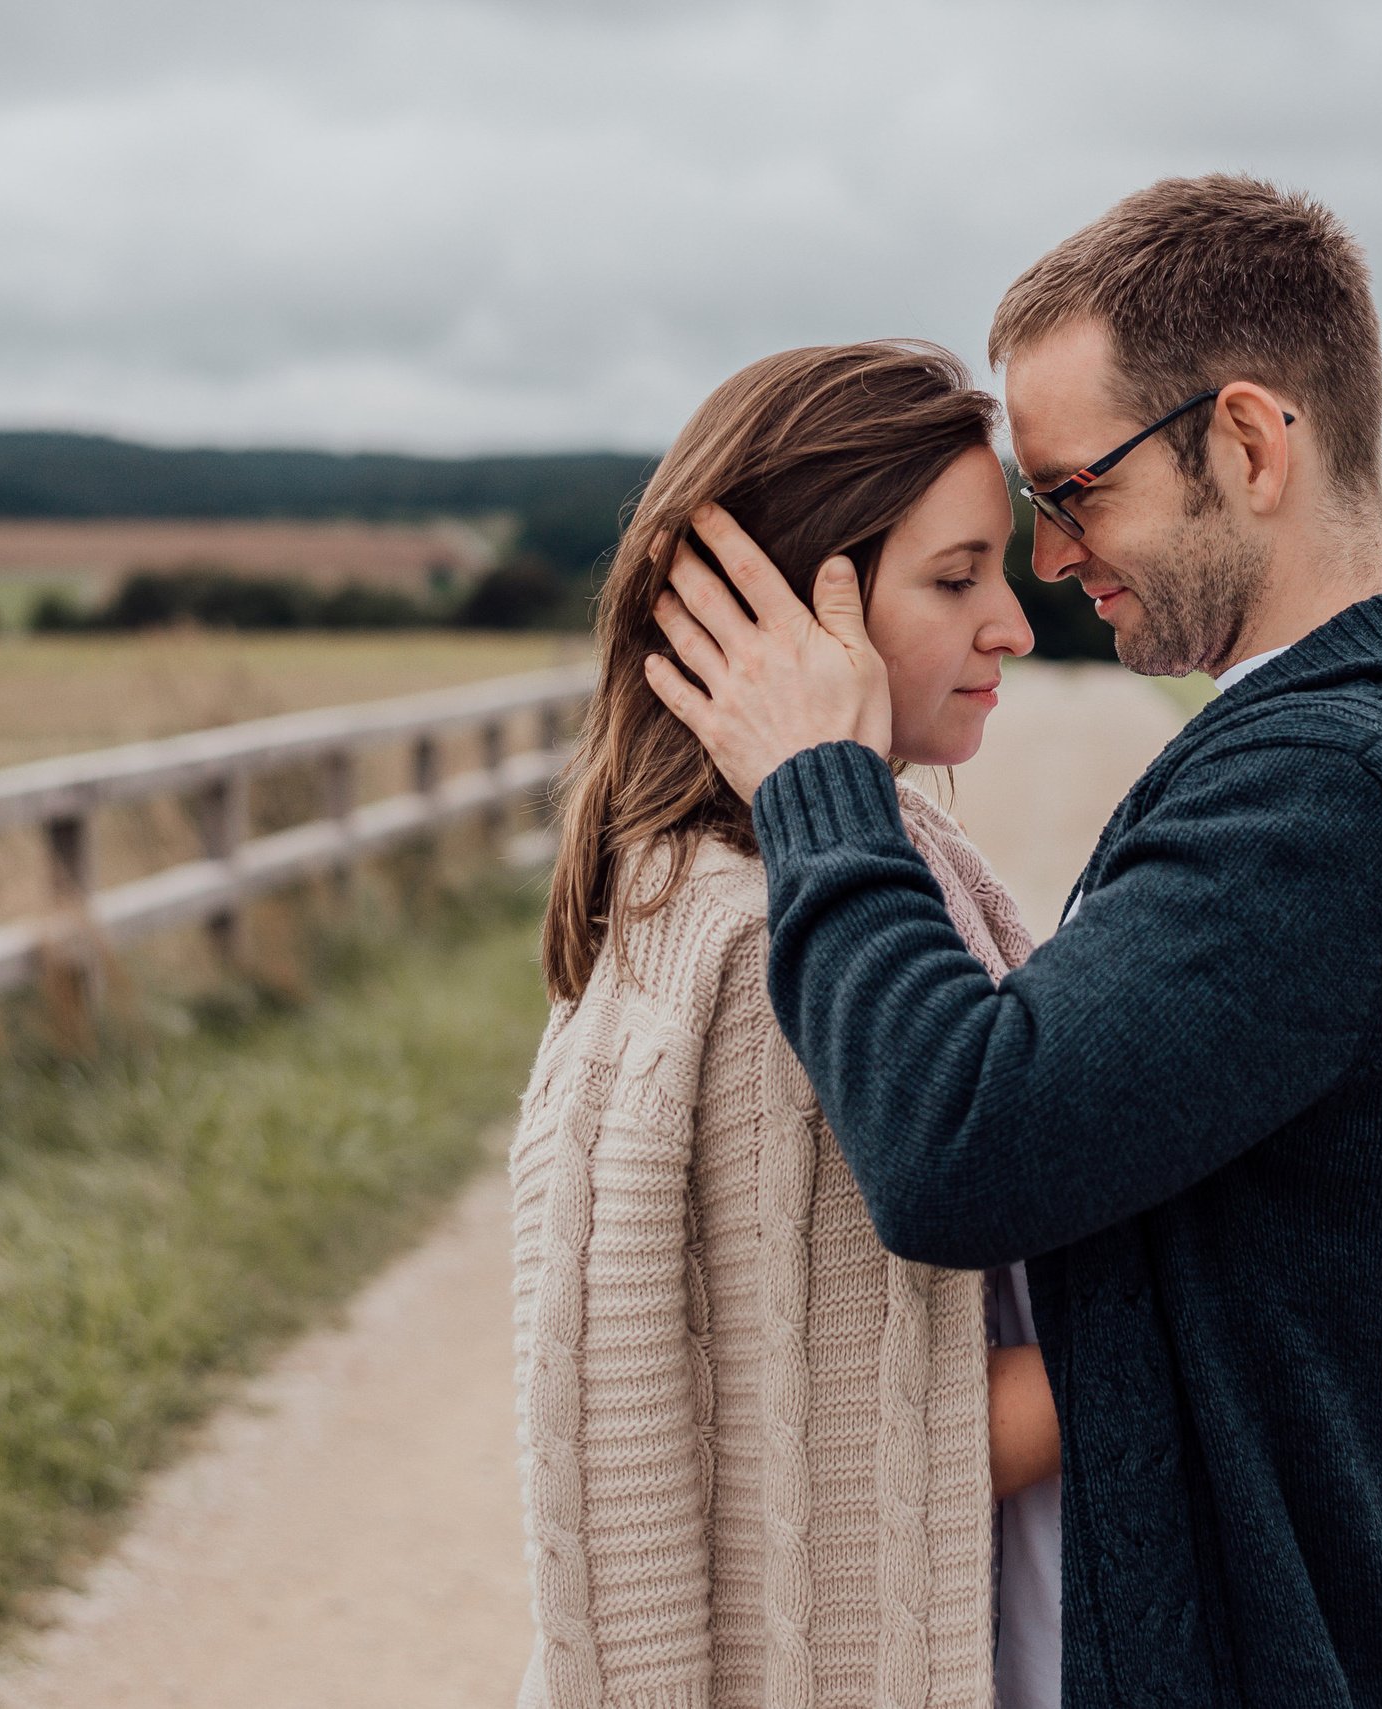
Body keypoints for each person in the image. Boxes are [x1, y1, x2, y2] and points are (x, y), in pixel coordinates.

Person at [644, 176, 1382, 1707]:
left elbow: (961, 1144)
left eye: (1076, 490)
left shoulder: (1329, 788)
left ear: (1248, 444)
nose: (1053, 564)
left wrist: (817, 792)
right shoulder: (1329, 749)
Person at [510, 340, 1062, 1709]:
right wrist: (1229, 1316)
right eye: (956, 577)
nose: (1015, 622)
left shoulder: (837, 876)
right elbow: (861, 1444)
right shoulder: (774, 945)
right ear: (799, 607)